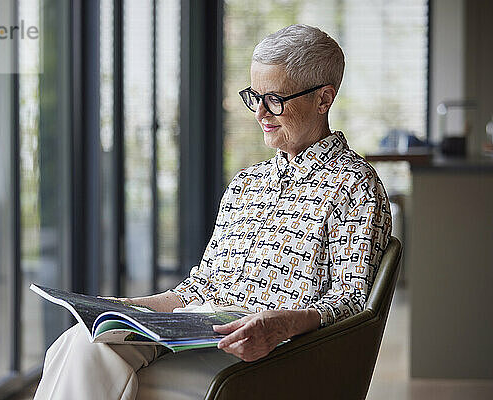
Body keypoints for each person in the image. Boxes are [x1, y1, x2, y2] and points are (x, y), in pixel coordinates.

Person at [33, 24, 392, 399]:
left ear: (324, 99)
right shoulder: (247, 184)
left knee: (91, 357)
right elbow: (200, 287)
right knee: (81, 340)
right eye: (254, 96)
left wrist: (280, 325)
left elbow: (351, 304)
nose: (260, 113)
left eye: (274, 99)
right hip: (203, 327)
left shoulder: (354, 185)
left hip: (281, 349)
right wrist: (124, 309)